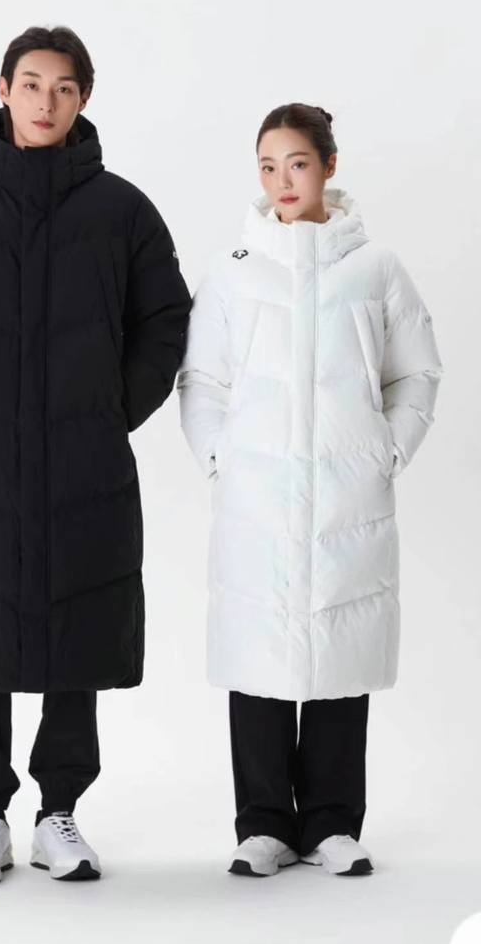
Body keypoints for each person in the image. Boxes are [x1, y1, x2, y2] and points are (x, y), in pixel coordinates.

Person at [0, 24, 191, 885]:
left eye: (63, 87)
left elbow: (165, 319)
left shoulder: (121, 209)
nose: (45, 102)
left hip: (84, 462)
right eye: (31, 84)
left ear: (83, 97)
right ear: (3, 88)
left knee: (76, 626)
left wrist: (111, 411)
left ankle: (60, 813)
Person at [177, 103, 442, 878]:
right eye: (268, 166)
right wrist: (221, 455)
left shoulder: (376, 268)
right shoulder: (234, 269)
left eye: (296, 163)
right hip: (257, 496)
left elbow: (417, 372)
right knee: (258, 647)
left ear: (329, 164)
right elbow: (202, 379)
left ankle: (332, 822)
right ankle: (262, 823)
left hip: (346, 494)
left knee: (339, 645)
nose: (282, 181)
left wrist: (387, 450)